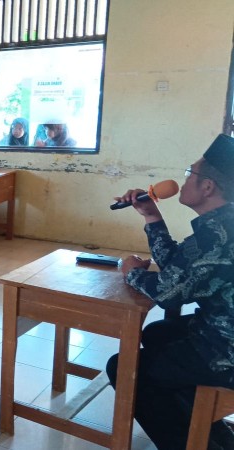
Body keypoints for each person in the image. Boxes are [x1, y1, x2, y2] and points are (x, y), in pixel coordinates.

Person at [106, 134, 234, 450]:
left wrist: (132, 271)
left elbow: (168, 292)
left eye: (190, 173)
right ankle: (205, 428)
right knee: (158, 334)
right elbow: (181, 268)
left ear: (207, 187)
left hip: (226, 351)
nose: (184, 179)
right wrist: (151, 215)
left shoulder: (216, 235)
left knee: (124, 369)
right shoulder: (223, 223)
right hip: (221, 332)